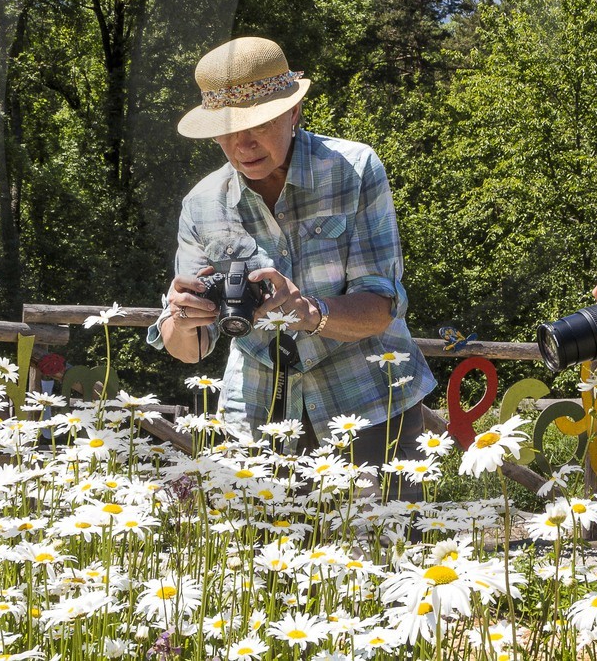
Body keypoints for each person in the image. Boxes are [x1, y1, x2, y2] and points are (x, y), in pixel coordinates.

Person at [148, 36, 435, 473]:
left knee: (392, 540)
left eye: (259, 124)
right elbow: (189, 351)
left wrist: (308, 310)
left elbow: (381, 307)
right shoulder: (202, 204)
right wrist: (183, 316)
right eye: (227, 130)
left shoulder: (353, 170)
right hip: (257, 420)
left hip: (371, 403)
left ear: (293, 111)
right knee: (269, 544)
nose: (243, 143)